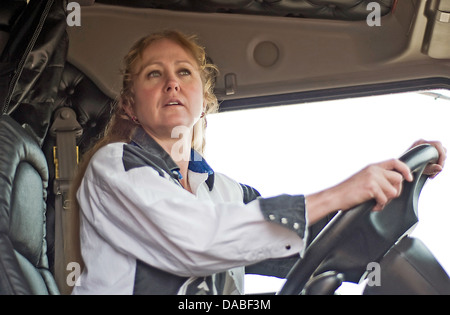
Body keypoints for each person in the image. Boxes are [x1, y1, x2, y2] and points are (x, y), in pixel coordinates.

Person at [70, 30, 446, 295]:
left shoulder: (225, 192)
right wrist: (341, 192)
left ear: (203, 102)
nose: (172, 83)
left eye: (184, 72)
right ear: (130, 106)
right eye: (155, 74)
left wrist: (393, 184)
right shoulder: (114, 166)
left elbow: (302, 241)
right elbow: (199, 239)